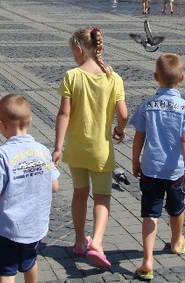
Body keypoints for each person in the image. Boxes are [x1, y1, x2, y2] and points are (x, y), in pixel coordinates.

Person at [52, 27, 128, 269]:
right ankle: (96, 242)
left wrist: (57, 147)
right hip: (101, 150)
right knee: (102, 196)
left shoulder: (71, 76)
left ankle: (77, 242)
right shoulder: (113, 78)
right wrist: (118, 131)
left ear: (78, 49)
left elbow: (64, 113)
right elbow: (123, 114)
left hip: (76, 148)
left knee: (79, 193)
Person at [0, 94, 59, 283]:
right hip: (35, 226)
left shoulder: (1, 154)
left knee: (7, 271)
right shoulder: (42, 150)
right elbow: (54, 186)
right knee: (30, 262)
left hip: (8, 228)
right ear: (30, 121)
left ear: (2, 124)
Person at [131, 53, 185, 281]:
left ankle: (147, 260)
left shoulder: (146, 105)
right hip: (176, 171)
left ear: (155, 77)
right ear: (182, 78)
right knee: (176, 209)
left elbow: (139, 137)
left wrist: (135, 161)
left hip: (150, 168)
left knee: (150, 213)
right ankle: (177, 241)